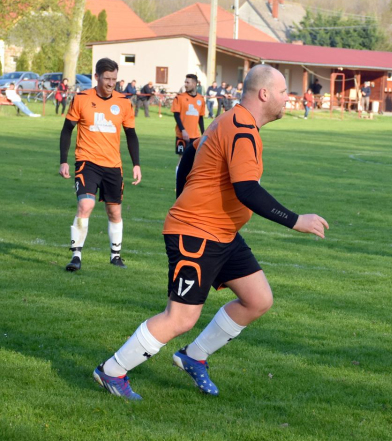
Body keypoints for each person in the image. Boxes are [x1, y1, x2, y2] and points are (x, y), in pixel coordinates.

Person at [92, 64, 329, 400]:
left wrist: (186, 198)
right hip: (197, 234)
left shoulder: (231, 118)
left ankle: (193, 356)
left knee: (257, 299)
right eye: (282, 92)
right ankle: (111, 371)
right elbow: (247, 189)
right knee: (180, 317)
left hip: (222, 232)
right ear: (264, 94)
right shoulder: (241, 128)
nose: (286, 99)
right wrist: (295, 220)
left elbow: (190, 153)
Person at [58, 58, 141, 271]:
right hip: (87, 161)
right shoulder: (82, 99)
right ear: (96, 77)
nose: (111, 83)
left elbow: (131, 135)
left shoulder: (124, 102)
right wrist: (63, 161)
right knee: (86, 205)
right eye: (107, 78)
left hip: (113, 166)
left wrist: (136, 164)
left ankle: (115, 256)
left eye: (114, 79)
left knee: (114, 212)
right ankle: (76, 255)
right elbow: (67, 129)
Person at [172, 74, 206, 174]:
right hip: (182, 135)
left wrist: (204, 133)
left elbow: (200, 118)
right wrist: (183, 130)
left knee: (194, 160)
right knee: (182, 159)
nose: (185, 84)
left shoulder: (200, 99)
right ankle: (178, 183)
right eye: (185, 82)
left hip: (195, 136)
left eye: (188, 82)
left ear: (194, 84)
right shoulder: (180, 97)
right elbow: (176, 115)